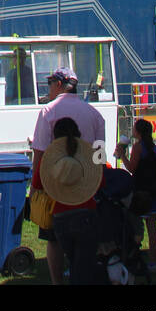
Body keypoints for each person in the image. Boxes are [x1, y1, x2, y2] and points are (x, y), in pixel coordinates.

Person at [31, 67, 107, 285]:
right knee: (85, 249)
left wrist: (36, 185)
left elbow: (40, 152)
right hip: (87, 186)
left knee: (53, 240)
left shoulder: (48, 111)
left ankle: (57, 282)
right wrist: (97, 179)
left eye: (49, 84)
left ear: (58, 85)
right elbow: (100, 154)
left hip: (56, 185)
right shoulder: (95, 114)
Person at [41, 116, 103, 286]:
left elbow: (39, 183)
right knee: (83, 265)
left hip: (60, 216)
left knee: (74, 261)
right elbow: (101, 181)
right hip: (86, 213)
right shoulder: (88, 153)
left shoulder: (51, 158)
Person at [115, 117, 156, 269]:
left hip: (140, 191)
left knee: (136, 226)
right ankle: (154, 261)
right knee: (152, 227)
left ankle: (134, 256)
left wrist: (122, 155)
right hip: (154, 191)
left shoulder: (138, 147)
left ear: (138, 132)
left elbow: (131, 168)